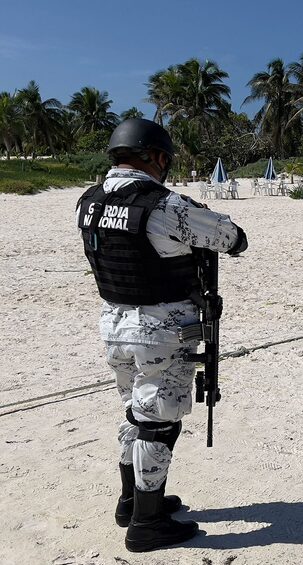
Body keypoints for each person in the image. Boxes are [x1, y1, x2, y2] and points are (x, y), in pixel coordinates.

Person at [76, 119, 248, 552]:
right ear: (155, 157)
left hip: (113, 323)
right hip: (161, 328)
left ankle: (131, 501)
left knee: (134, 412)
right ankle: (146, 524)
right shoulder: (164, 205)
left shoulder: (88, 201)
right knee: (158, 422)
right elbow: (232, 239)